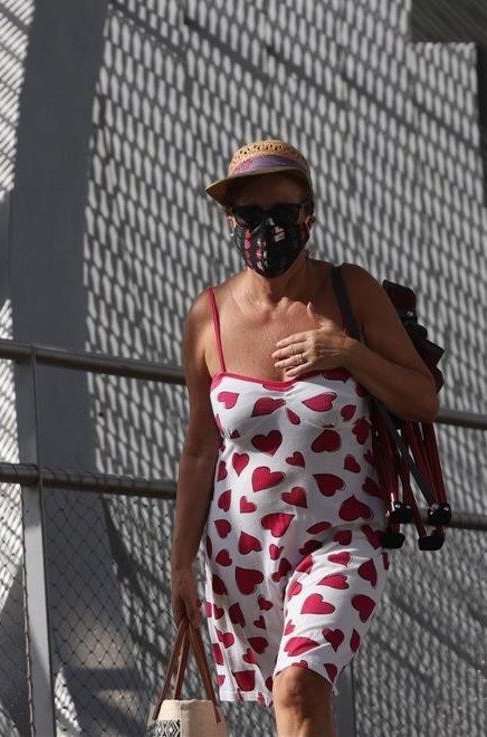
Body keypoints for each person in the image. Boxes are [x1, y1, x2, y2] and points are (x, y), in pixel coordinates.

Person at [169, 139, 439, 737]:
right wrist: (181, 563)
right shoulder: (206, 315)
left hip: (342, 536)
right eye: (250, 215)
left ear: (309, 216)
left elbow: (423, 398)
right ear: (230, 221)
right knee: (291, 707)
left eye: (283, 213)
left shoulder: (349, 293)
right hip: (243, 550)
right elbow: (199, 449)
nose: (268, 229)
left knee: (298, 685)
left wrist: (344, 351)